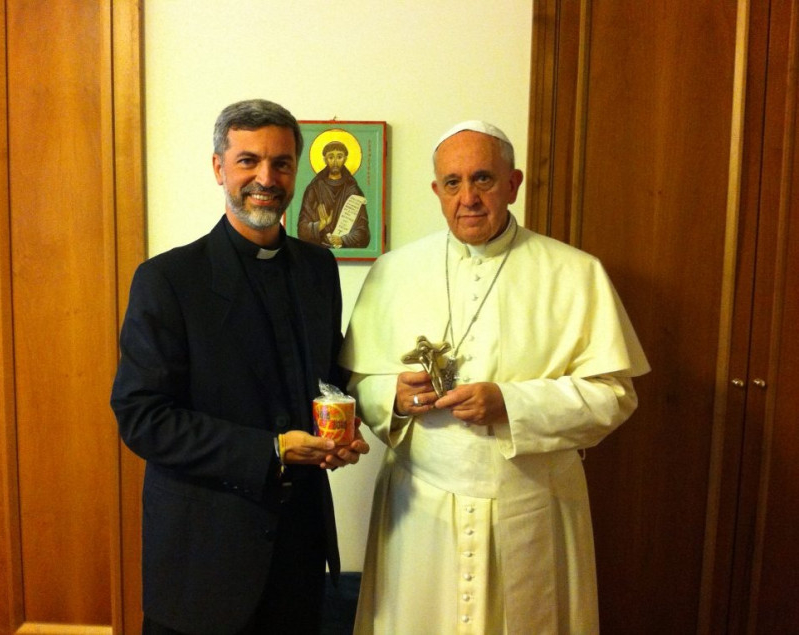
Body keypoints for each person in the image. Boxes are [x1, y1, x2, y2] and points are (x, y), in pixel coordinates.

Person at [339, 120, 650, 634]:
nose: (468, 198)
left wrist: (510, 404)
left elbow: (614, 396)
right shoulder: (394, 271)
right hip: (420, 508)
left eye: (483, 179)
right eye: (453, 183)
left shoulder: (575, 272)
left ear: (513, 184)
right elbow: (357, 384)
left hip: (533, 501)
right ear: (437, 191)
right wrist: (392, 396)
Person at [111, 99, 370, 635]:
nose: (266, 179)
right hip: (203, 556)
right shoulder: (168, 280)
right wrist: (270, 450)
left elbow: (328, 377)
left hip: (299, 550)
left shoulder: (318, 267)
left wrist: (348, 423)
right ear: (218, 167)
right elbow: (143, 418)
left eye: (281, 163)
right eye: (248, 161)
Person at [297, 140, 371, 248]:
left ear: (345, 159)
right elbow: (301, 230)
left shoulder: (353, 190)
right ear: (325, 160)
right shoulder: (314, 189)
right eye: (331, 157)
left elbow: (363, 233)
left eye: (339, 157)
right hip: (318, 250)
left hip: (345, 251)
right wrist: (320, 225)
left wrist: (343, 240)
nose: (335, 162)